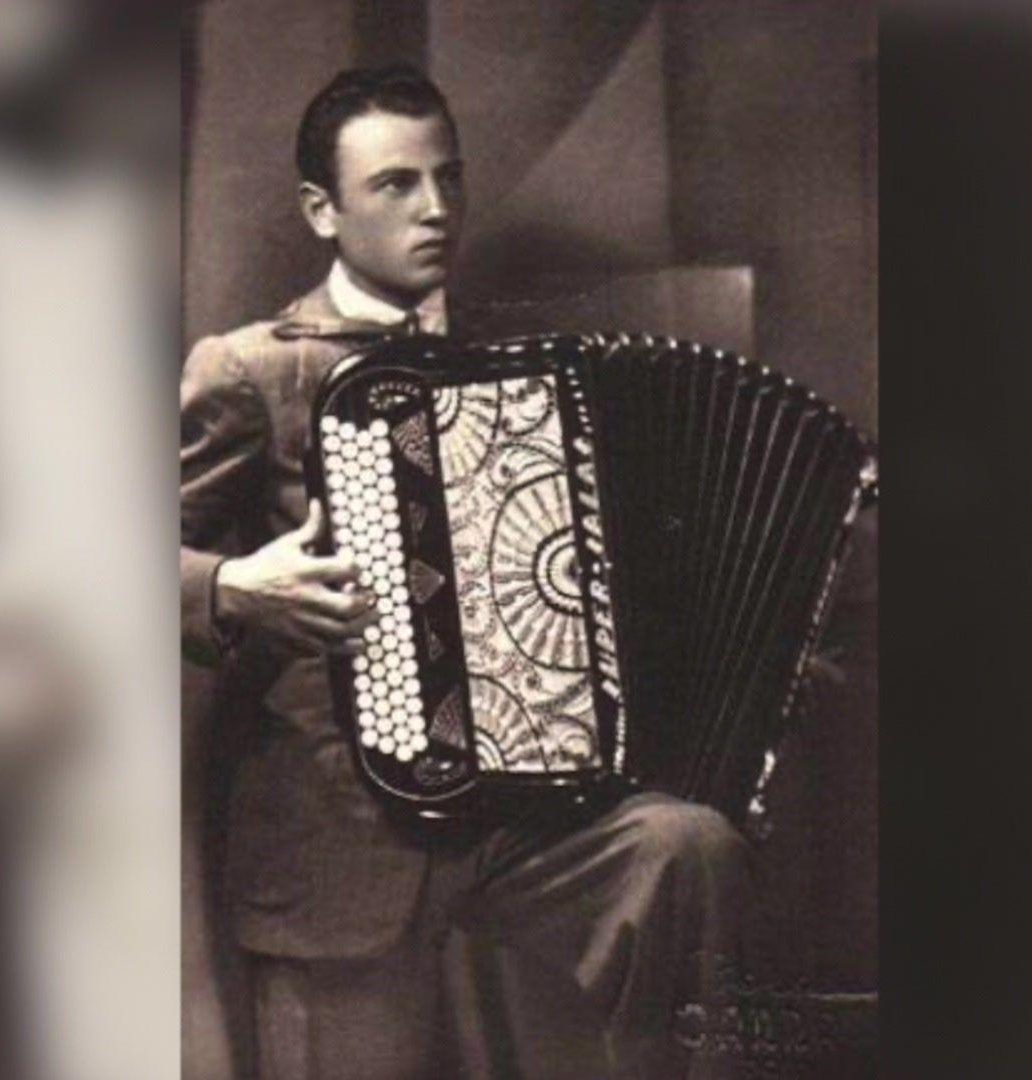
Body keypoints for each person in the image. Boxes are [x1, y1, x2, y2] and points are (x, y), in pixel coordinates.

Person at [183, 65, 748, 1078]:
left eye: (449, 178)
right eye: (396, 184)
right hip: (338, 842)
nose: (436, 207)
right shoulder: (253, 369)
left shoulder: (530, 366)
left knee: (686, 843)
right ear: (322, 210)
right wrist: (229, 589)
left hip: (522, 823)